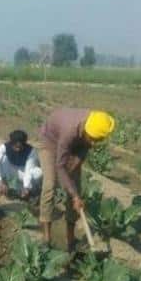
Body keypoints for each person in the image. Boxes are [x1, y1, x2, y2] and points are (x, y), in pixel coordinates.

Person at [39, 108, 115, 252]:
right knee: (50, 186)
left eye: (98, 140)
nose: (94, 144)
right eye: (93, 139)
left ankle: (70, 239)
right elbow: (60, 166)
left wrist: (77, 164)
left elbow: (84, 148)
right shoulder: (70, 131)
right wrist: (73, 195)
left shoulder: (94, 124)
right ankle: (46, 239)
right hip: (50, 142)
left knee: (75, 189)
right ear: (86, 131)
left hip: (74, 145)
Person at [0, 130, 42, 199]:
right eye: (15, 147)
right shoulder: (4, 147)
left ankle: (30, 191)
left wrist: (26, 187)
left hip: (23, 171)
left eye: (20, 147)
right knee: (0, 161)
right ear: (11, 143)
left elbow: (28, 171)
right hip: (9, 168)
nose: (18, 149)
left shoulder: (31, 151)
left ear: (24, 144)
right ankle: (2, 183)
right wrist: (0, 181)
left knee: (38, 173)